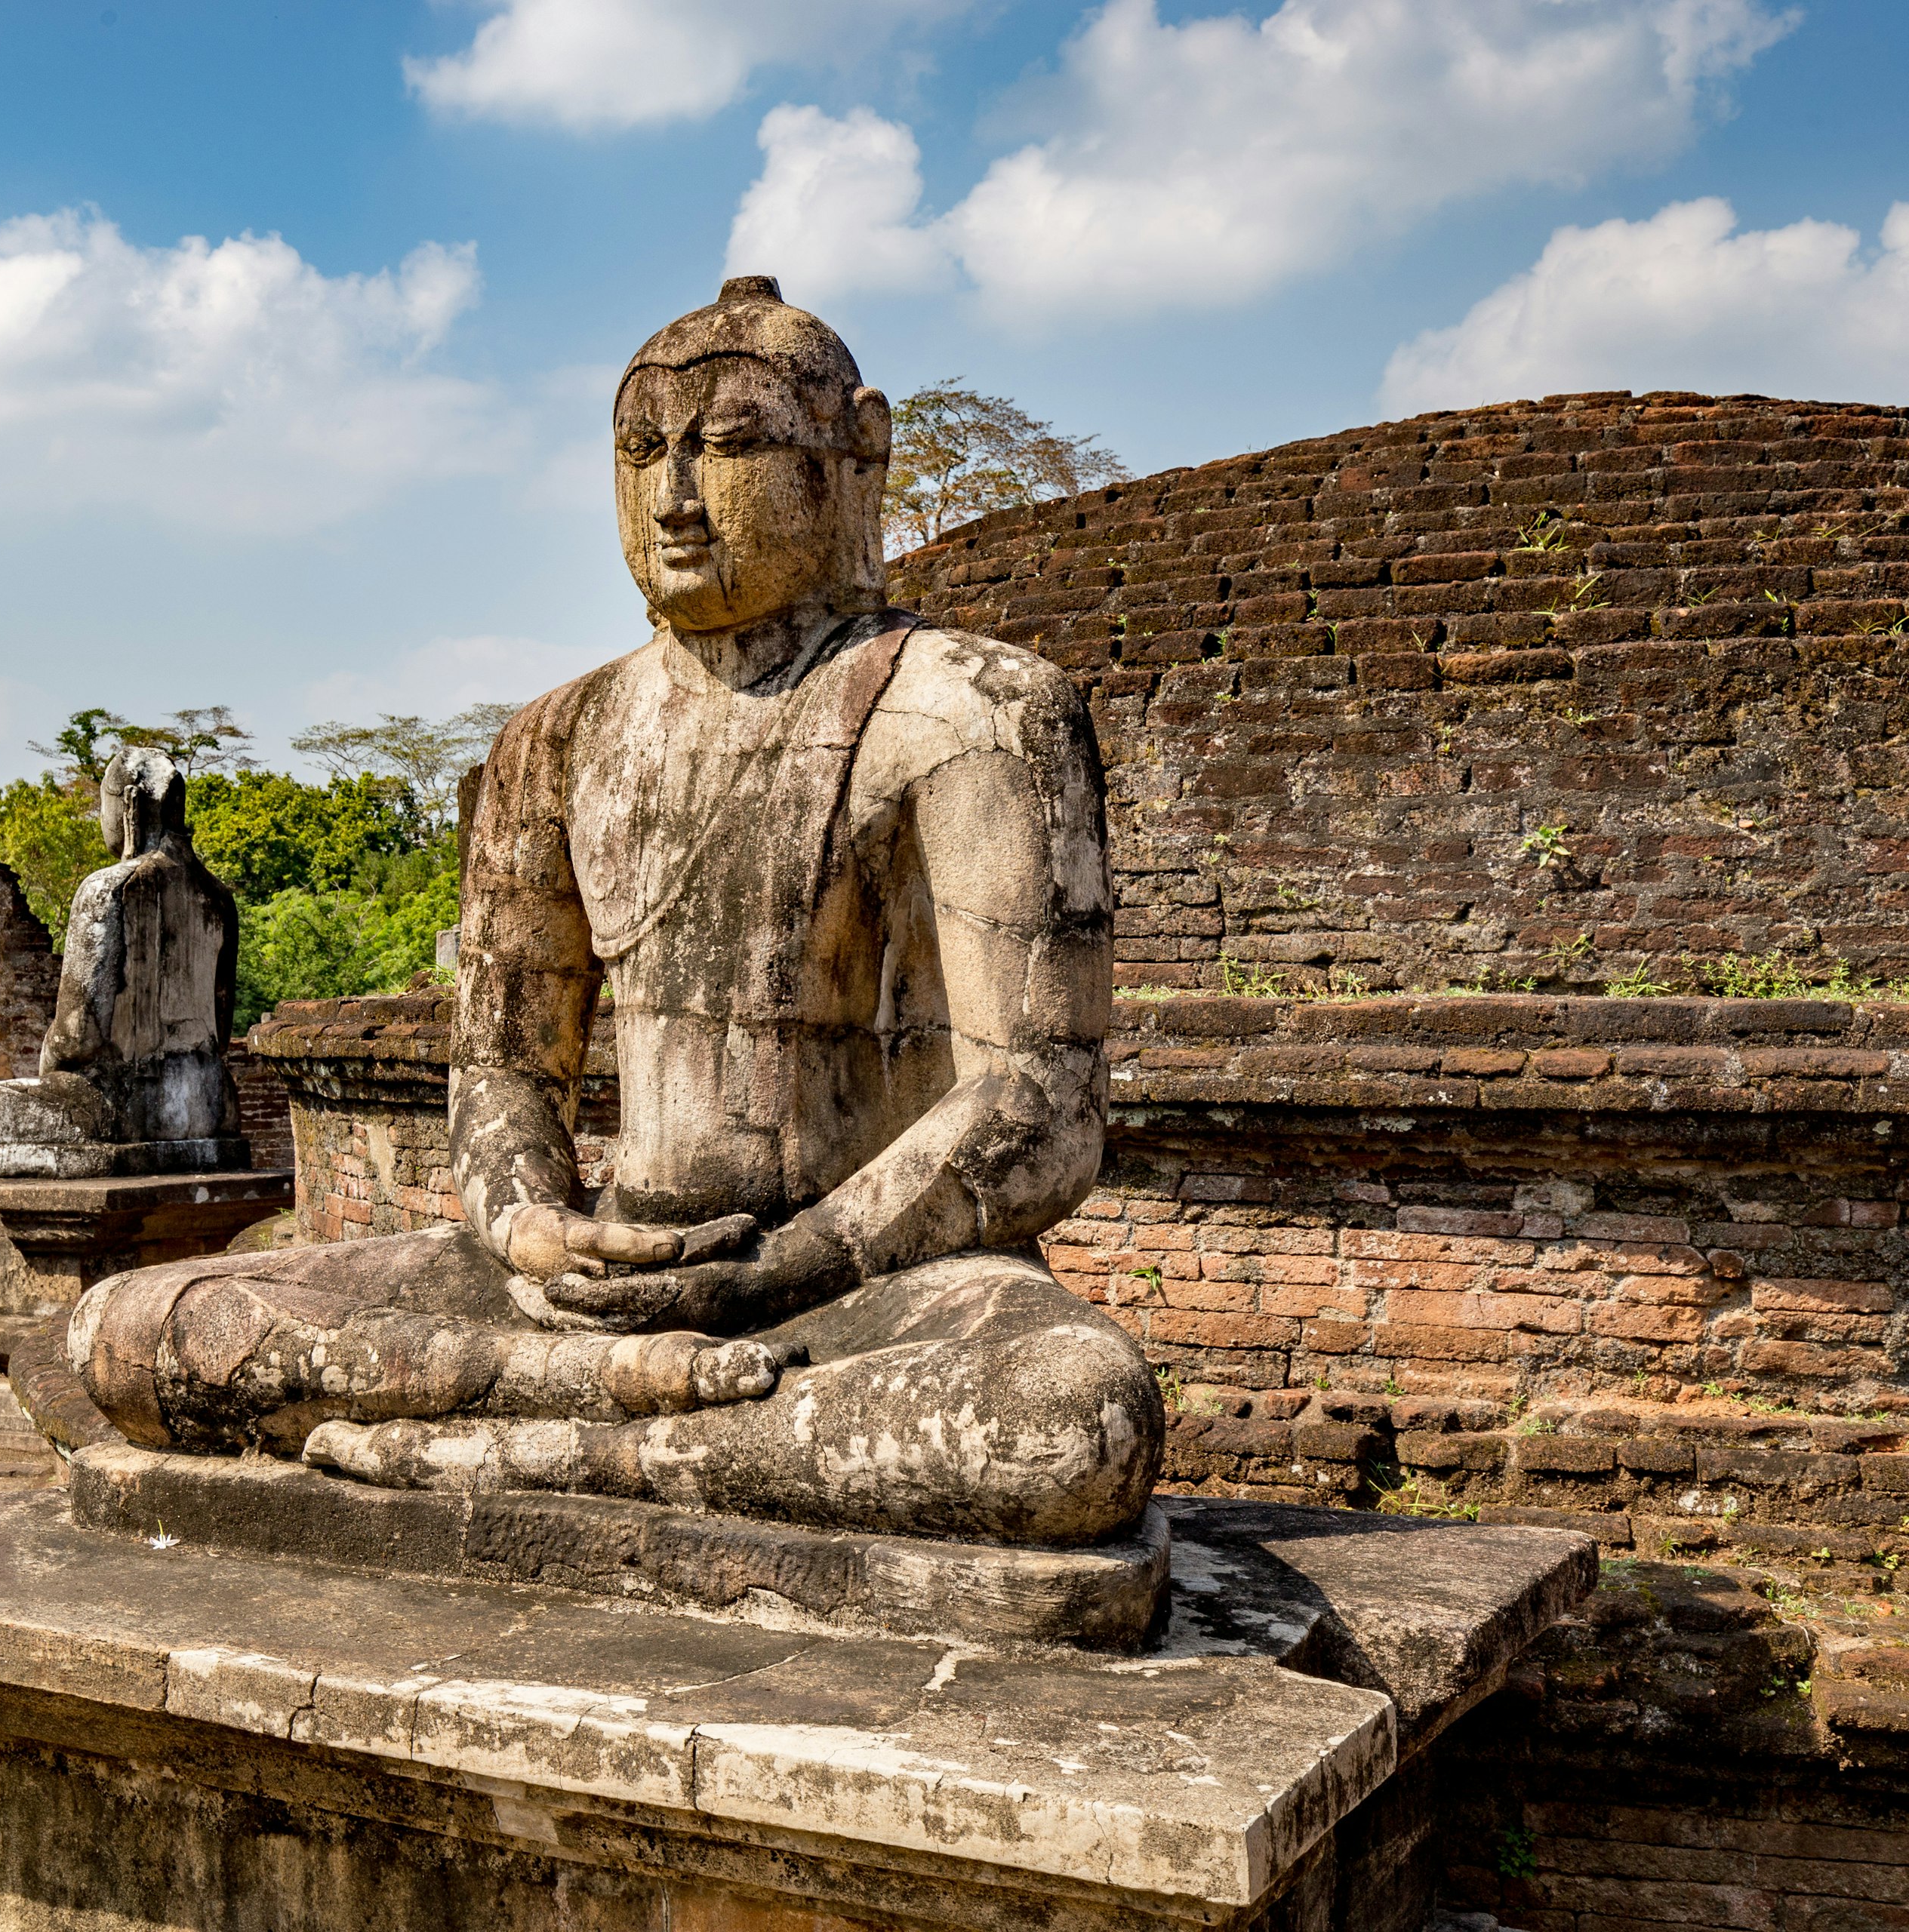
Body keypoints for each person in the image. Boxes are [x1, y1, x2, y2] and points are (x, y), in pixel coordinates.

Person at [64, 277, 1158, 1546]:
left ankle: (528, 1439)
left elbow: (1036, 1107)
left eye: (734, 446)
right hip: (598, 1291)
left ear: (861, 452)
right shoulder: (560, 738)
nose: (675, 499)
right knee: (126, 1332)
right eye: (643, 452)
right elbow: (499, 1073)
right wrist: (533, 1229)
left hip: (859, 1291)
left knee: (1067, 1421)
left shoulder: (974, 713)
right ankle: (608, 1418)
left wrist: (780, 1269)